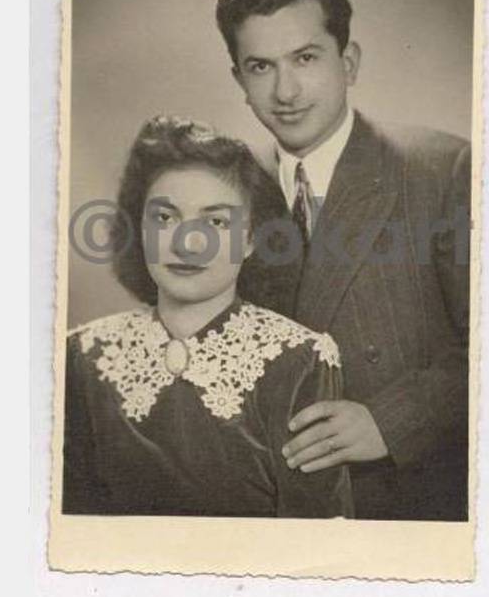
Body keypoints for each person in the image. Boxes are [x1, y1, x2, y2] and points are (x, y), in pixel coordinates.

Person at [220, 0, 471, 520]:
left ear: (348, 61)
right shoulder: (227, 185)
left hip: (407, 507)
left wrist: (390, 420)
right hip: (269, 511)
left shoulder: (442, 170)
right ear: (239, 80)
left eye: (305, 58)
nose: (285, 91)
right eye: (260, 67)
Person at [62, 115, 353, 518]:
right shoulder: (82, 356)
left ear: (251, 239)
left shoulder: (299, 359)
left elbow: (318, 540)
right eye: (165, 218)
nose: (188, 244)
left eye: (216, 222)